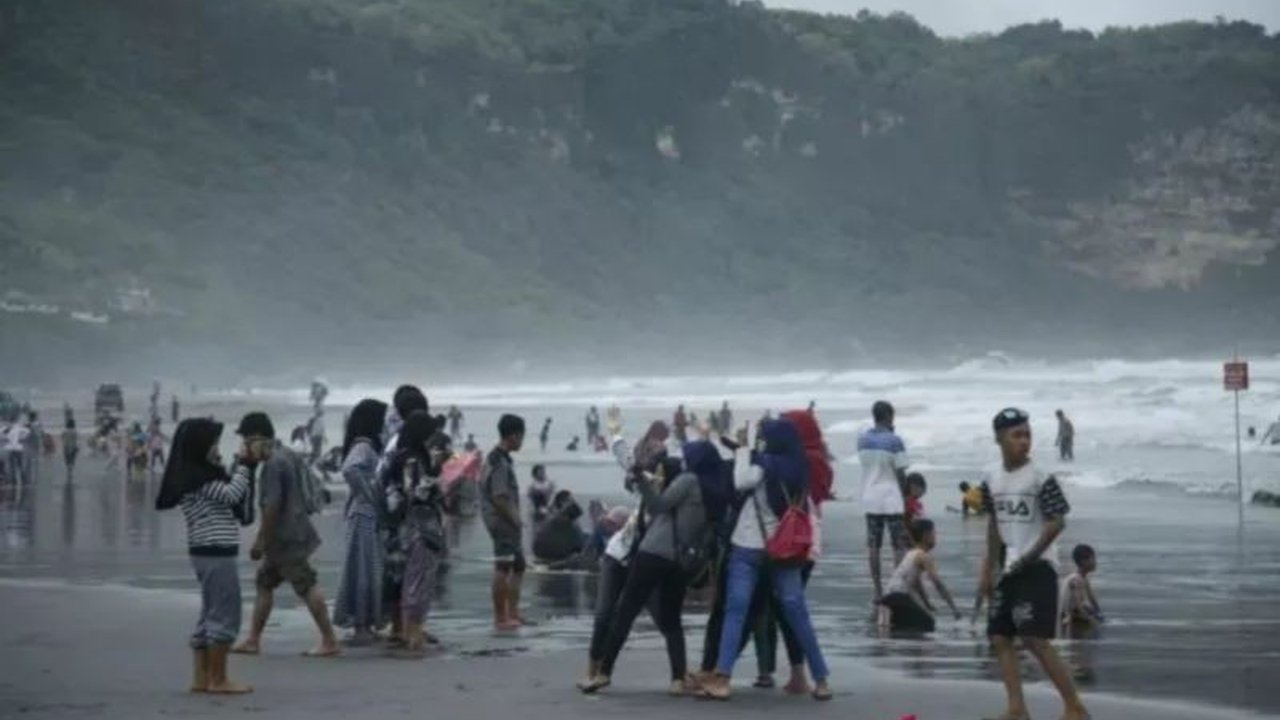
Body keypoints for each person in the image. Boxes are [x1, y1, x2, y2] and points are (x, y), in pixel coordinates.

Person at [700, 418, 832, 702]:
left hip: (749, 544)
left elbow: (740, 481)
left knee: (736, 609)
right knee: (797, 613)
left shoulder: (765, 464)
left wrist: (744, 450)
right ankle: (821, 680)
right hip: (786, 548)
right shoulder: (800, 467)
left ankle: (722, 677)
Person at [581, 439, 726, 696]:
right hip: (682, 561)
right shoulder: (715, 491)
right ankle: (677, 679)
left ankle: (604, 673)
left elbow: (659, 504)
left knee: (625, 611)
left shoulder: (688, 481)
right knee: (672, 619)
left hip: (654, 553)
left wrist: (644, 481)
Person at [978, 408, 1089, 720]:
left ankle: (1075, 707)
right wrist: (987, 567)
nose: (1024, 441)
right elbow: (993, 526)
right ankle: (1016, 709)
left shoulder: (1041, 478)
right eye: (1016, 435)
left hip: (1038, 566)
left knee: (1034, 639)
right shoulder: (991, 478)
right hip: (1009, 567)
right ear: (999, 438)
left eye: (1027, 434)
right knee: (1000, 636)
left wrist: (1030, 556)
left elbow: (1057, 523)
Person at [155, 418, 253, 694]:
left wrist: (230, 467)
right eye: (213, 444)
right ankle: (219, 680)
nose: (216, 448)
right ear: (200, 447)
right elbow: (233, 495)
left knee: (209, 613)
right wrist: (246, 465)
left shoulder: (191, 476)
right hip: (216, 551)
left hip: (203, 551)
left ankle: (201, 678)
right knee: (225, 613)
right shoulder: (201, 479)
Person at [232, 412, 340, 658]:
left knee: (306, 584)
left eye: (247, 441)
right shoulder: (287, 455)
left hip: (285, 537)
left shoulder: (272, 465)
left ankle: (330, 639)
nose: (245, 447)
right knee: (264, 583)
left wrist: (261, 540)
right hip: (294, 530)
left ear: (259, 439)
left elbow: (272, 505)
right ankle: (253, 639)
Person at [384, 410, 451, 653]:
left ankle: (409, 630)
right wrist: (436, 470)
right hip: (419, 527)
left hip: (407, 526)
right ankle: (413, 633)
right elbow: (417, 493)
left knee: (411, 578)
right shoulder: (413, 460)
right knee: (419, 578)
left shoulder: (402, 456)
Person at [332, 399, 388, 646]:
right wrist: (370, 493)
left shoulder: (365, 445)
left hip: (364, 512)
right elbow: (350, 469)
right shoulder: (364, 446)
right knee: (363, 569)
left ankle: (363, 623)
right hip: (364, 513)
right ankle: (360, 625)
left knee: (366, 568)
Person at [859, 400, 911, 604]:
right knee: (898, 544)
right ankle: (895, 587)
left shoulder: (862, 440)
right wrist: (906, 494)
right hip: (891, 497)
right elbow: (900, 472)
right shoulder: (895, 441)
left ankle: (878, 589)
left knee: (874, 545)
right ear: (889, 416)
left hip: (870, 496)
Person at [481, 414, 527, 631]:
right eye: (521, 437)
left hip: (505, 519)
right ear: (513, 435)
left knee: (518, 566)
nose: (522, 442)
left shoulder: (501, 458)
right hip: (501, 520)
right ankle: (501, 617)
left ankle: (513, 612)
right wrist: (516, 518)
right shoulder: (498, 461)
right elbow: (499, 496)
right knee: (503, 567)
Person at [877, 518, 961, 633]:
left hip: (887, 598)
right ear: (926, 536)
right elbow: (938, 583)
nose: (936, 537)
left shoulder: (911, 553)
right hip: (898, 598)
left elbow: (917, 583)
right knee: (928, 623)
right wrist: (953, 608)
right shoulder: (923, 556)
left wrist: (927, 604)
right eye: (934, 534)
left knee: (904, 627)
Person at [1060, 544, 1104, 639]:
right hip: (1071, 617)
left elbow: (1092, 599)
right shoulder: (1076, 579)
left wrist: (1099, 613)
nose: (1095, 562)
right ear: (1084, 561)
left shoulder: (1084, 579)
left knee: (1093, 613)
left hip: (1076, 614)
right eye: (1093, 559)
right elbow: (1078, 605)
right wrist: (1092, 621)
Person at [61, 419, 79, 483]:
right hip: (73, 446)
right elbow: (76, 439)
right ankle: (70, 469)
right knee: (72, 459)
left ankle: (68, 469)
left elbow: (62, 437)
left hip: (66, 446)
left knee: (67, 458)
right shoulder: (75, 431)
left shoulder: (65, 431)